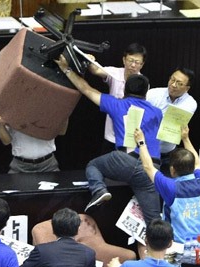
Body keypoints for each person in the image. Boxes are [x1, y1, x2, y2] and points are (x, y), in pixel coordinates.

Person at [55, 55, 163, 218]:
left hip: (126, 160)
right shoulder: (157, 112)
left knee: (93, 165)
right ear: (146, 93)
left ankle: (99, 191)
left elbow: (86, 89)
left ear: (125, 90)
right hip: (152, 167)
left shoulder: (117, 104)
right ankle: (160, 240)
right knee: (153, 218)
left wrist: (66, 69)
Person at [134, 125, 200, 243]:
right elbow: (197, 163)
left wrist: (141, 143)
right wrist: (186, 138)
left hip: (177, 248)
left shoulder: (172, 188)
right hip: (199, 246)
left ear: (172, 170)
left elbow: (148, 167)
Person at [87, 43, 148, 153]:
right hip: (110, 133)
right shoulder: (114, 73)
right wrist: (90, 60)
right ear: (124, 60)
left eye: (137, 62)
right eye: (130, 60)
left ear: (142, 64)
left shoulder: (143, 83)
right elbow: (95, 70)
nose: (133, 65)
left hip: (130, 136)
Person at [146, 68, 198, 173]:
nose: (173, 85)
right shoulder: (152, 94)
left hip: (167, 152)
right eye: (172, 80)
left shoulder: (190, 103)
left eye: (179, 83)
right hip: (146, 149)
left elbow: (171, 124)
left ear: (187, 88)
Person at [0, 114, 66, 173]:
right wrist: (0, 123)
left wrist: (66, 114)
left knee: (59, 193)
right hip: (19, 167)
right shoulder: (12, 113)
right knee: (11, 192)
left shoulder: (49, 112)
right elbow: (6, 142)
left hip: (48, 166)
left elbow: (62, 132)